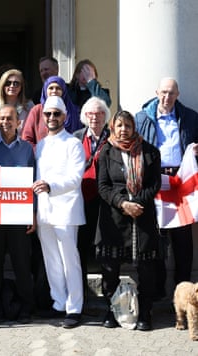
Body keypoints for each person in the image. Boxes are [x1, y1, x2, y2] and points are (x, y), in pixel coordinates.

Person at [96, 110, 161, 331]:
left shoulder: (150, 152)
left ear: (134, 128)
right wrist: (123, 204)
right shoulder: (106, 151)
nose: (124, 130)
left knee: (146, 269)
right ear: (113, 127)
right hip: (114, 218)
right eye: (120, 125)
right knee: (110, 268)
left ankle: (145, 312)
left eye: (128, 126)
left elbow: (154, 184)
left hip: (142, 217)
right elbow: (103, 186)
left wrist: (137, 203)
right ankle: (111, 310)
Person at [135, 77, 198, 298]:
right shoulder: (141, 117)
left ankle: (183, 291)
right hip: (155, 182)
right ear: (156, 92)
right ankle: (158, 291)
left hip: (181, 182)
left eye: (171, 93)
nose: (167, 97)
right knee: (157, 237)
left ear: (177, 95)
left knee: (183, 240)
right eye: (163, 92)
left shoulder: (190, 117)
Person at [32, 95, 85, 329]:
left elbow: (75, 178)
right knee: (51, 260)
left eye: (56, 114)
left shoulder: (73, 143)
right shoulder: (41, 144)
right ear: (42, 117)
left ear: (64, 116)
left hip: (66, 210)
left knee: (69, 261)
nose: (51, 118)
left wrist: (51, 187)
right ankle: (58, 302)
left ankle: (74, 308)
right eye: (47, 114)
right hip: (44, 210)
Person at [0, 104, 35, 323]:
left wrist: (33, 212)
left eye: (10, 118)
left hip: (19, 216)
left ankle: (25, 307)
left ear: (18, 122)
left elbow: (33, 182)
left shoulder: (27, 149)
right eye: (2, 119)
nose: (6, 122)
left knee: (21, 263)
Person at [73, 97, 111, 300]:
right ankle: (82, 293)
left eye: (99, 113)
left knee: (104, 246)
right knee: (81, 245)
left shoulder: (113, 138)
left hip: (105, 201)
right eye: (91, 113)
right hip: (81, 199)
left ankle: (108, 293)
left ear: (105, 116)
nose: (95, 117)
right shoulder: (76, 137)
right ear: (84, 116)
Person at [22, 75, 81, 148]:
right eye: (51, 88)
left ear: (64, 91)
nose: (54, 91)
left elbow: (80, 136)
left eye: (58, 88)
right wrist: (40, 152)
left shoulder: (74, 111)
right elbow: (26, 139)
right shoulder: (36, 110)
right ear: (45, 91)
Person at [0, 69, 34, 141]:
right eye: (8, 83)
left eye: (16, 83)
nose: (12, 86)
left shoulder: (29, 106)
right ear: (2, 85)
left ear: (21, 86)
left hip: (22, 150)